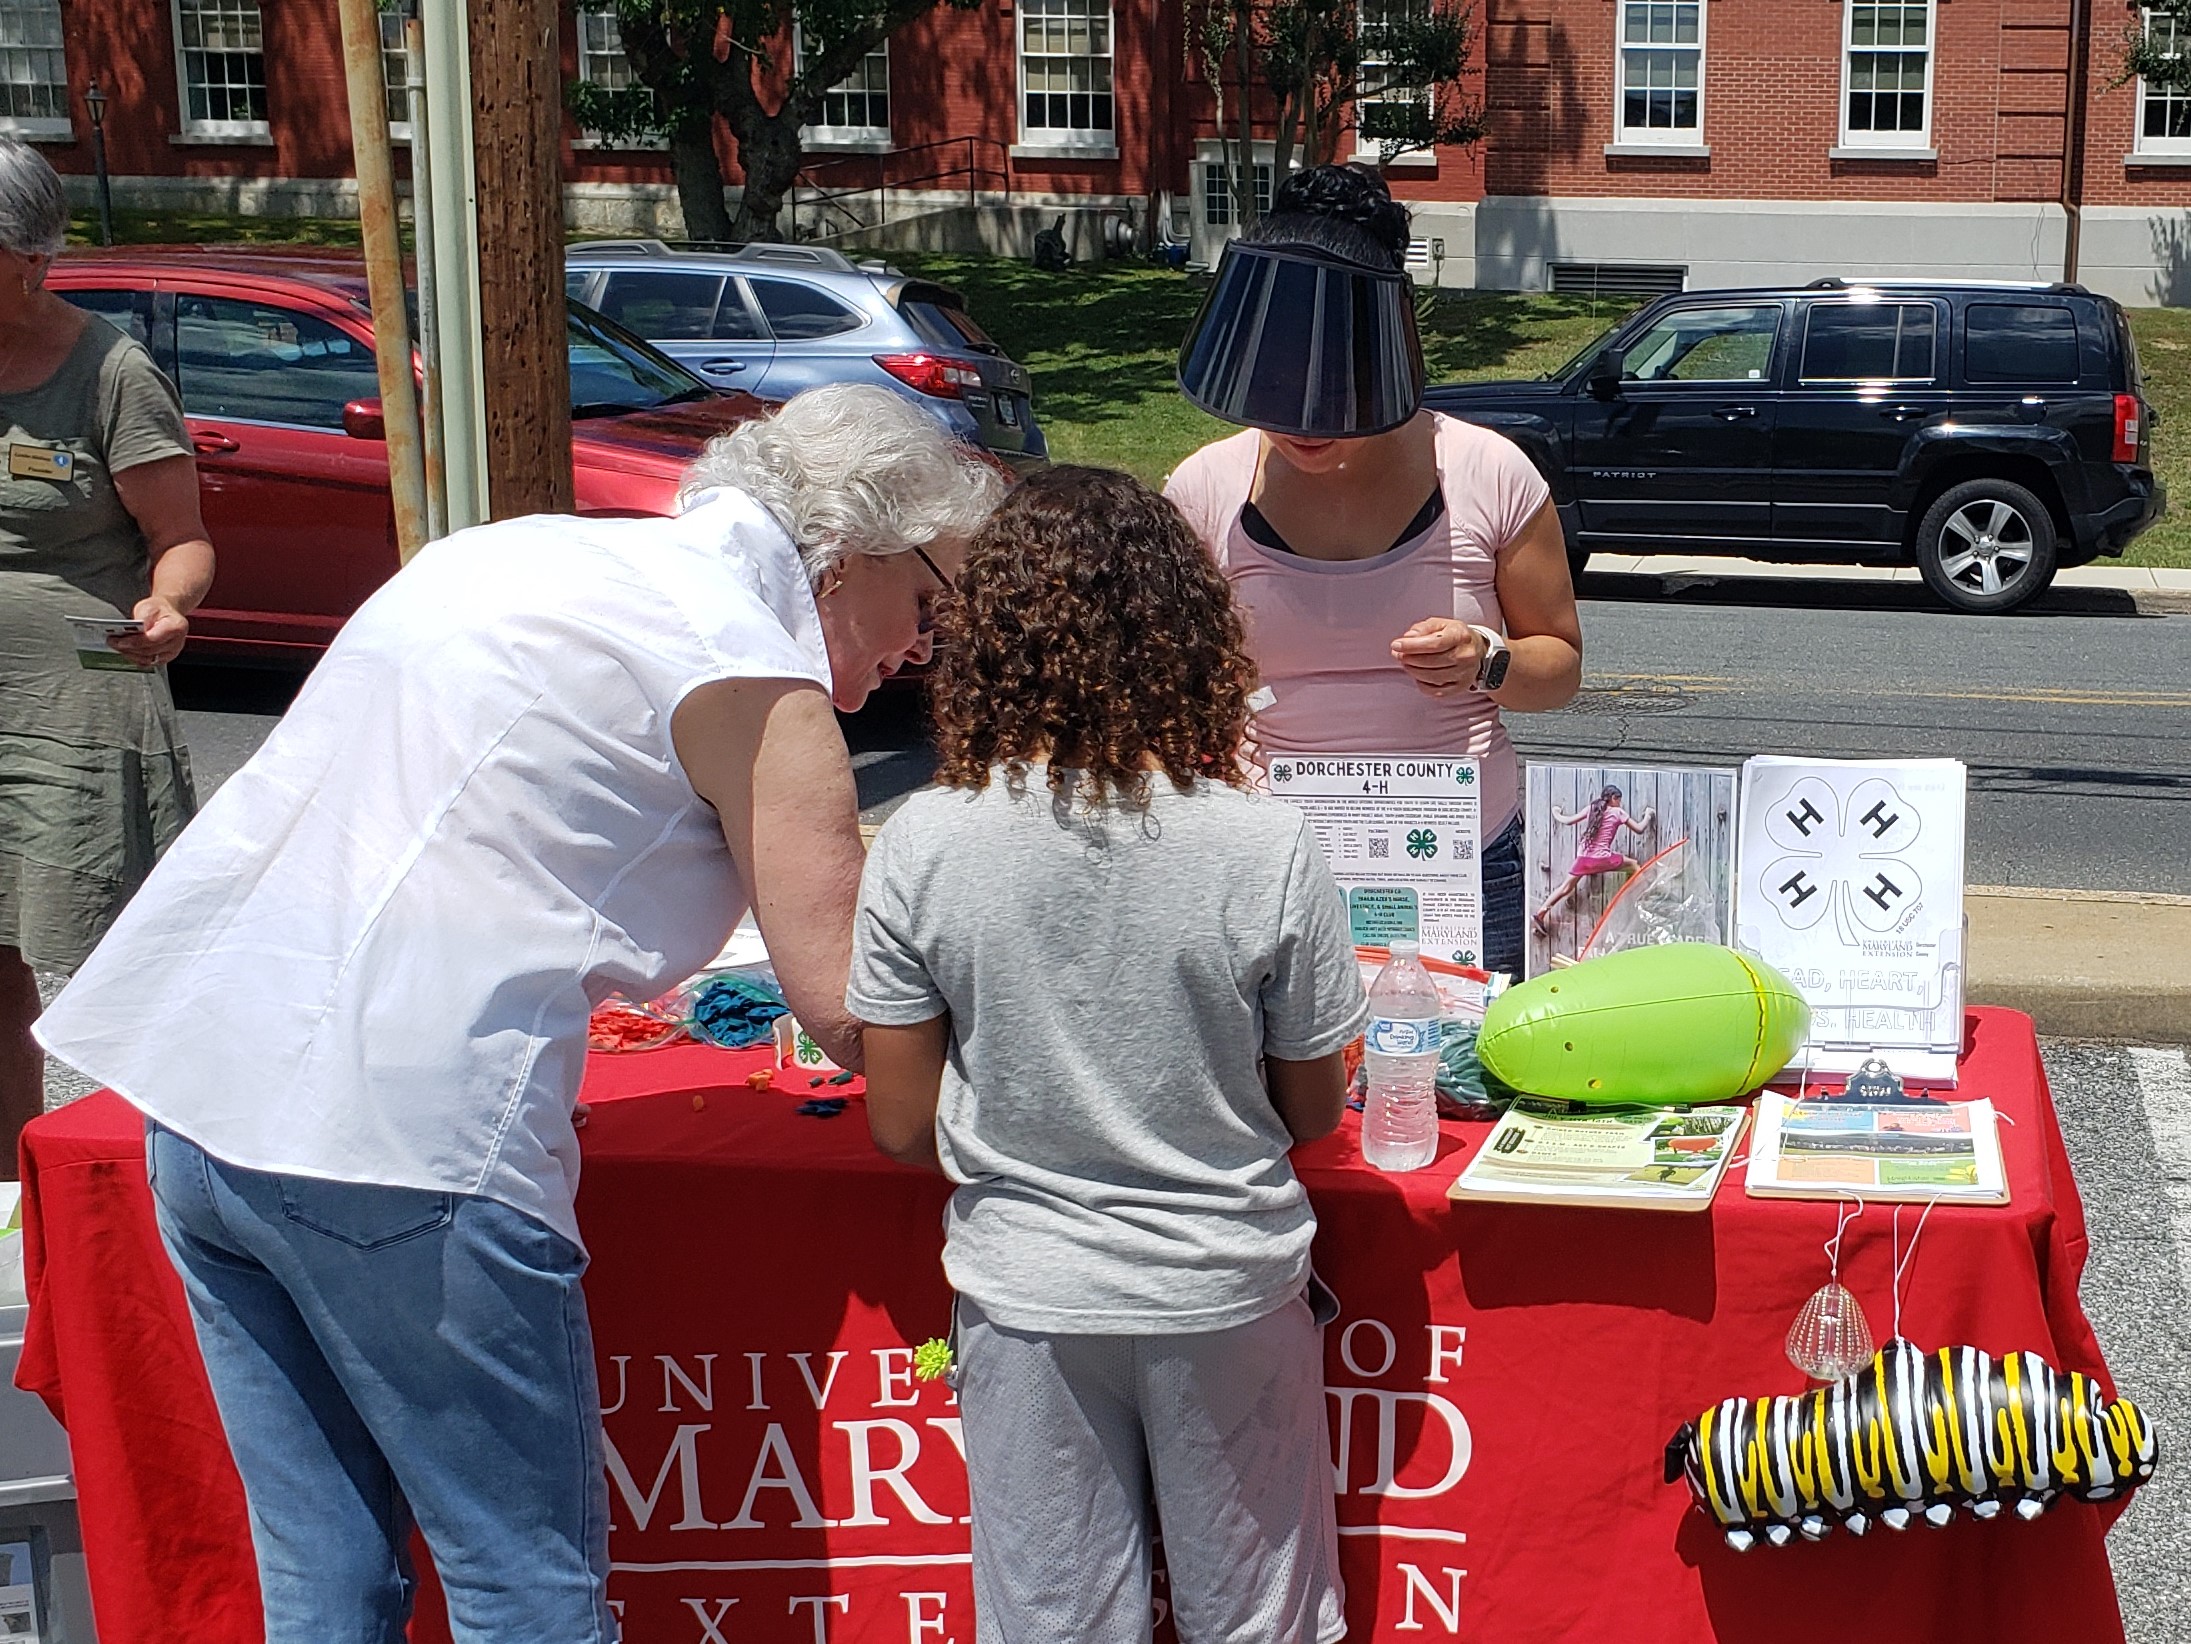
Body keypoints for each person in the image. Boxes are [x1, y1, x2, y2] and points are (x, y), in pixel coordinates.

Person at [34, 384, 1001, 1642]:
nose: (926, 648)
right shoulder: (758, 674)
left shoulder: (509, 552)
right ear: (859, 547)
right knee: (524, 1591)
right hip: (400, 1140)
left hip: (201, 1091)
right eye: (932, 603)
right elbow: (853, 1019)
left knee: (323, 1581)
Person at [853, 465, 1368, 1644]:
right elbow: (1311, 1113)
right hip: (1221, 1281)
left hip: (1027, 1290)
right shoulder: (1263, 843)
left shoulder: (926, 839)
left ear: (983, 641)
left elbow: (896, 1123)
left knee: (1054, 1622)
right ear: (1190, 635)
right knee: (1260, 1621)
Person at [1165, 163, 1583, 980]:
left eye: (1328, 403)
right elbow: (1167, 690)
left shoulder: (1487, 471)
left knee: (1454, 1088)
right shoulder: (1202, 489)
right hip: (1269, 856)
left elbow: (1559, 666)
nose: (1298, 428)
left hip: (1463, 854)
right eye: (1271, 396)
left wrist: (1486, 658)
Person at [0, 137, 212, 1175]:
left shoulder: (110, 370)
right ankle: (6, 1205)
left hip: (72, 709)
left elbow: (182, 540)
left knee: (88, 963)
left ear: (33, 254)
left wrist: (167, 609)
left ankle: (140, 1194)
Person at [1533, 784, 1657, 933]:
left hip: (1583, 858)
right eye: (1619, 800)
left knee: (1565, 888)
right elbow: (1639, 829)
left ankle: (1541, 913)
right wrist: (1648, 815)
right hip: (1602, 858)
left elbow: (1567, 820)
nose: (1620, 804)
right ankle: (1648, 896)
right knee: (1634, 865)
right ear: (1613, 798)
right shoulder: (1618, 812)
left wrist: (1556, 812)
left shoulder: (1592, 808)